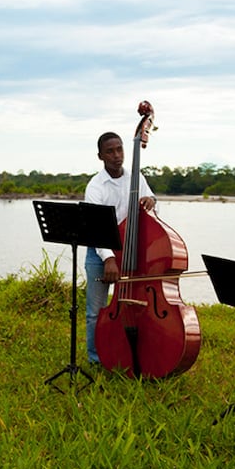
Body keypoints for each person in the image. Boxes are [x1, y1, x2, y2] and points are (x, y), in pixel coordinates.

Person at [83, 131, 156, 366]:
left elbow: (151, 203)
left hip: (132, 248)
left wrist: (151, 202)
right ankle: (96, 359)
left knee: (136, 305)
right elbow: (96, 229)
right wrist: (109, 259)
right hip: (100, 251)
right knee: (95, 311)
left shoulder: (136, 177)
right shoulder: (95, 186)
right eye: (110, 151)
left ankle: (134, 354)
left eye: (119, 149)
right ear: (100, 156)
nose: (116, 155)